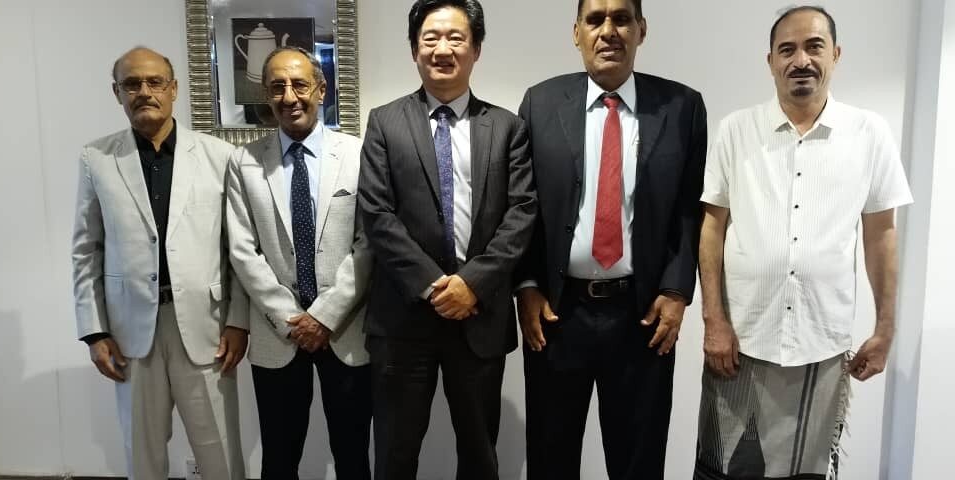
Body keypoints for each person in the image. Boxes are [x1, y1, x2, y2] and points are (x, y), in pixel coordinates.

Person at [694, 6, 913, 479]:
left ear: (835, 54)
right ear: (770, 61)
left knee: (807, 473)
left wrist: (885, 328)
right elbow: (711, 228)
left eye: (814, 47)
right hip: (740, 343)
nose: (801, 60)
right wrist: (713, 320)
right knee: (724, 468)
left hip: (822, 344)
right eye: (787, 49)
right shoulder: (736, 130)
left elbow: (881, 236)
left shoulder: (869, 133)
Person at [515, 0, 707, 478]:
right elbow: (522, 205)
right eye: (595, 19)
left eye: (622, 18)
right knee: (550, 458)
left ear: (641, 29)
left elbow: (688, 210)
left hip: (643, 317)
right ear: (576, 32)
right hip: (558, 315)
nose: (609, 30)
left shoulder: (682, 107)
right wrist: (527, 284)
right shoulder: (540, 104)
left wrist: (677, 290)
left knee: (638, 461)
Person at [357, 1, 537, 478]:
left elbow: (521, 213)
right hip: (403, 318)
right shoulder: (384, 121)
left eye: (456, 38)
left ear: (476, 49)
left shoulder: (508, 128)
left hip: (479, 317)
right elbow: (376, 214)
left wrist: (471, 284)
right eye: (430, 38)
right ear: (414, 49)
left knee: (480, 455)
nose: (442, 49)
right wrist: (436, 286)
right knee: (394, 456)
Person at [72, 46, 247, 480]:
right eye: (132, 84)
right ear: (117, 92)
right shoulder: (97, 159)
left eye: (154, 82)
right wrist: (94, 331)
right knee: (143, 456)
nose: (144, 92)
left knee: (221, 455)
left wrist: (238, 321)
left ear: (174, 89)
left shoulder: (218, 156)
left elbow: (237, 249)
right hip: (130, 332)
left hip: (207, 328)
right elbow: (86, 250)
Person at [225, 46, 372, 480]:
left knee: (353, 457)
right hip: (278, 334)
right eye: (277, 87)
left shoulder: (358, 154)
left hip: (346, 332)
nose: (289, 97)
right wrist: (292, 319)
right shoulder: (244, 162)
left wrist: (324, 316)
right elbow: (242, 250)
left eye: (299, 85)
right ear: (266, 96)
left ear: (321, 90)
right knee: (279, 458)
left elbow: (369, 244)